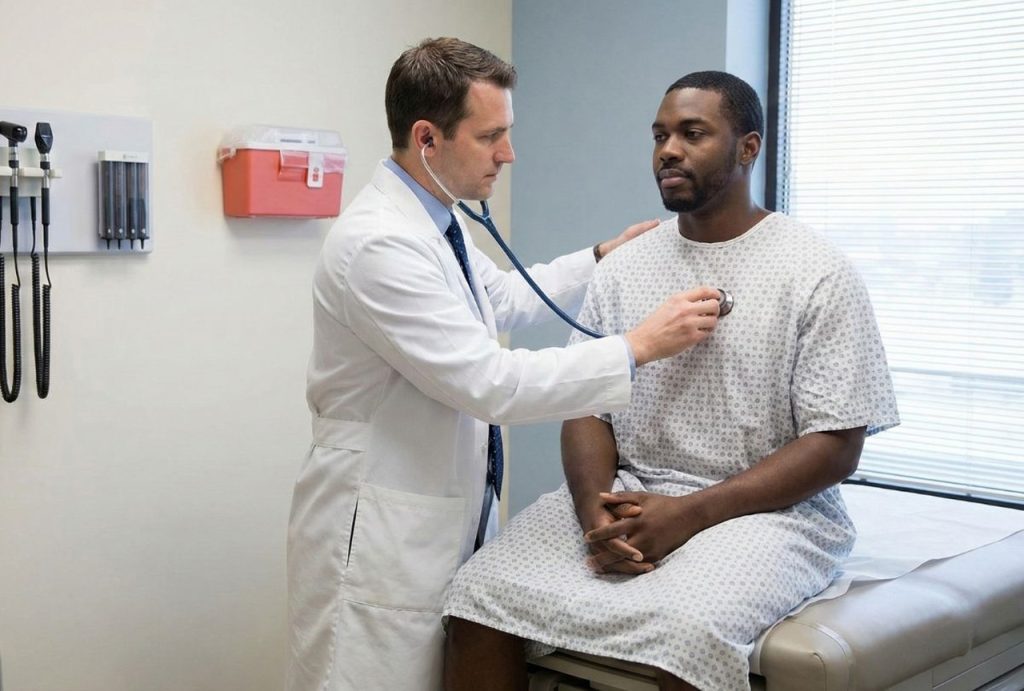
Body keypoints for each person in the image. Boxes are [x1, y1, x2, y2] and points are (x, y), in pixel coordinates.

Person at [286, 39, 726, 691]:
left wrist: (604, 254)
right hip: (378, 532)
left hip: (439, 514)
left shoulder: (439, 220)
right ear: (428, 138)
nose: (508, 154)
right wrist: (640, 345)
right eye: (491, 136)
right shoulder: (378, 245)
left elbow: (501, 298)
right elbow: (492, 385)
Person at [442, 71, 901, 691]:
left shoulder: (815, 270)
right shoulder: (627, 267)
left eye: (692, 133)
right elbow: (588, 403)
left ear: (748, 147)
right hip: (629, 493)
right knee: (478, 595)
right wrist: (593, 514)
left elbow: (837, 443)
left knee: (682, 634)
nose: (668, 150)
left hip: (770, 515)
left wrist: (687, 515)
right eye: (659, 135)